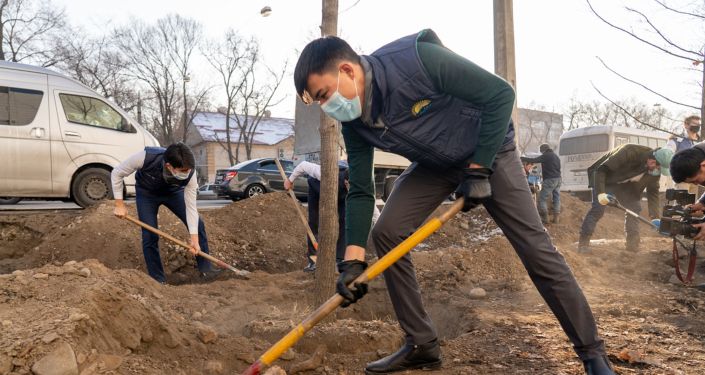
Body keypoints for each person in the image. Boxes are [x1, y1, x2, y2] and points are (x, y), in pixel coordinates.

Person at [294, 29, 614, 374]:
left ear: (346, 70)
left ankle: (592, 354)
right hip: (436, 166)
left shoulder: (415, 60)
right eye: (319, 102)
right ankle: (421, 343)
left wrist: (478, 170)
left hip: (490, 153)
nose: (328, 107)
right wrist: (352, 261)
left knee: (536, 251)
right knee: (387, 231)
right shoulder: (353, 122)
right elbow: (359, 187)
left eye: (325, 95)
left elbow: (500, 95)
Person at [111, 143, 216, 283]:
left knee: (198, 224)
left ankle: (206, 270)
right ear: (169, 166)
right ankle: (158, 280)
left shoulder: (191, 174)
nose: (187, 173)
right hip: (147, 193)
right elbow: (117, 173)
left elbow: (191, 208)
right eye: (183, 170)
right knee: (150, 235)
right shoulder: (146, 157)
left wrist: (194, 240)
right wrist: (119, 205)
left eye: (188, 170)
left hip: (173, 193)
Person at [578, 144, 672, 253]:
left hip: (625, 185)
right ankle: (583, 244)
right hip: (604, 179)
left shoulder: (654, 172)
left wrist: (655, 217)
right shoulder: (630, 152)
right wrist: (600, 193)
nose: (657, 171)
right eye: (658, 168)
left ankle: (632, 246)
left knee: (634, 209)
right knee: (598, 209)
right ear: (652, 161)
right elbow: (601, 170)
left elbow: (653, 193)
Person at [670, 142, 705, 240]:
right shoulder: (696, 156)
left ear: (703, 166)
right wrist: (702, 203)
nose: (696, 184)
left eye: (696, 180)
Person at [521, 143, 562, 224]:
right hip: (558, 179)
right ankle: (556, 219)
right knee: (556, 198)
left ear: (543, 150)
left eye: (541, 152)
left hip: (550, 180)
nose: (541, 153)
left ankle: (545, 219)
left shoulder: (546, 155)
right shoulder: (556, 156)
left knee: (542, 199)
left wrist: (522, 158)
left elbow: (534, 160)